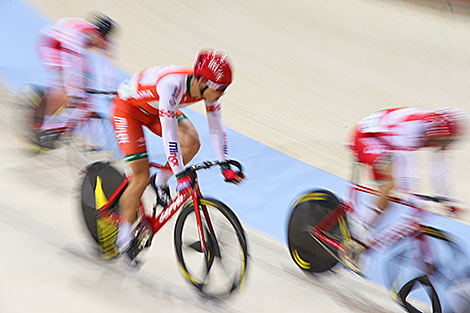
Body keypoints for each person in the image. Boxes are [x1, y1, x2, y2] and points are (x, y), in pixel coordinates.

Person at [112, 49, 245, 260]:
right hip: (128, 110)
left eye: (225, 88)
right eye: (220, 88)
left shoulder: (207, 89)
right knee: (140, 176)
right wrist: (180, 173)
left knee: (192, 142)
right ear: (202, 82)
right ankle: (123, 237)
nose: (222, 93)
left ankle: (160, 181)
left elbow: (217, 128)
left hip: (153, 108)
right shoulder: (172, 85)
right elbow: (169, 133)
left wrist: (224, 164)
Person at [346, 107, 466, 270]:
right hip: (366, 137)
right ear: (436, 132)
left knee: (387, 201)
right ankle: (358, 228)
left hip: (385, 143)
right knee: (393, 182)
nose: (445, 145)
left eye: (449, 141)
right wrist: (412, 196)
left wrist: (445, 198)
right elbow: (405, 166)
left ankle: (357, 243)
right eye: (444, 140)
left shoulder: (434, 132)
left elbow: (439, 167)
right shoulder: (411, 129)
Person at [36, 12, 117, 149]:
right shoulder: (77, 35)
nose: (100, 41)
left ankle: (90, 140)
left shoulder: (105, 41)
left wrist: (110, 90)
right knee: (66, 88)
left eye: (103, 38)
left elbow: (106, 68)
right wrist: (72, 89)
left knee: (87, 93)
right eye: (98, 37)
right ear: (93, 31)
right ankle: (45, 127)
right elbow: (69, 63)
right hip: (53, 44)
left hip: (73, 51)